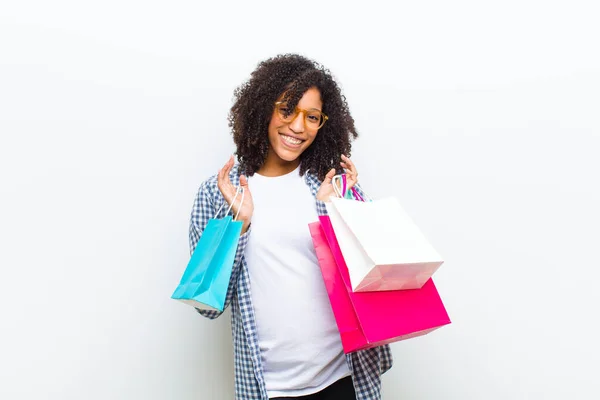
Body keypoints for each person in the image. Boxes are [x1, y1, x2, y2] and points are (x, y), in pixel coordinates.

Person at [189, 54, 393, 400]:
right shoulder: (219, 192)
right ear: (263, 109)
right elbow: (206, 304)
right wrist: (239, 223)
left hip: (344, 377)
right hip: (269, 387)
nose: (298, 127)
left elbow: (380, 275)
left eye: (311, 117)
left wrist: (340, 211)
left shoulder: (329, 185)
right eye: (287, 110)